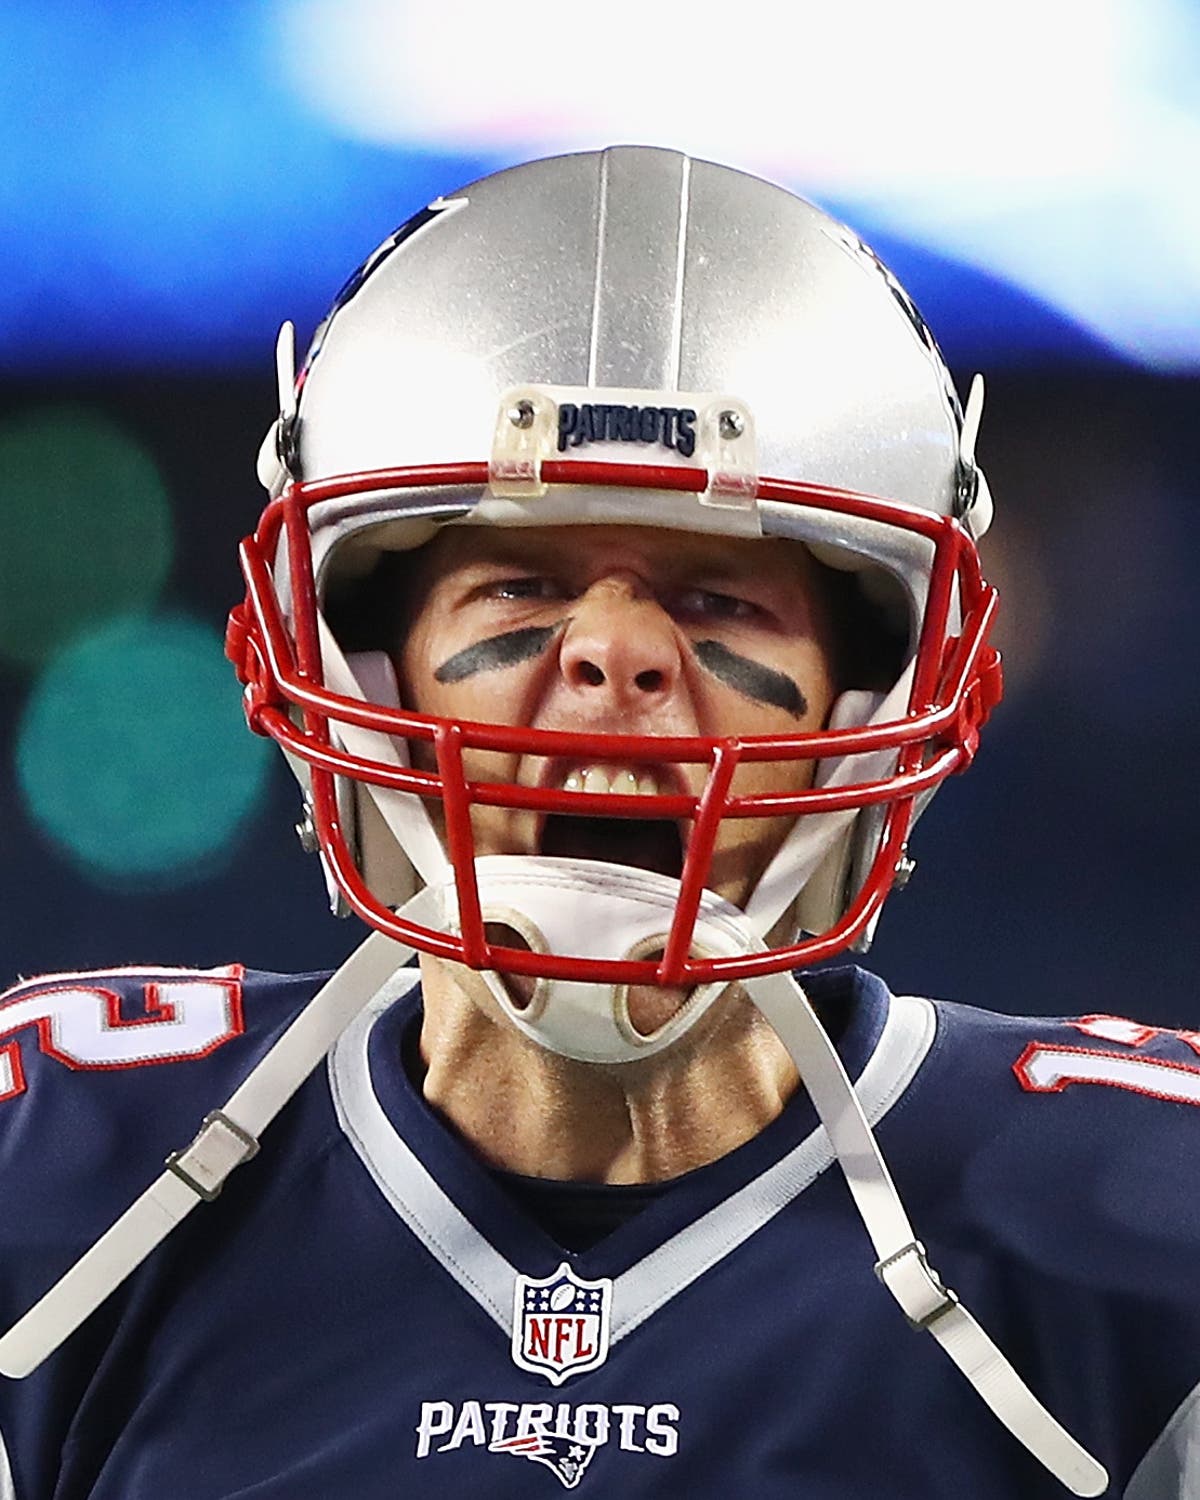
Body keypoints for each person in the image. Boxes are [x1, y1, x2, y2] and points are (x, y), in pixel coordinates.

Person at [0, 146, 1196, 1499]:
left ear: (876, 690)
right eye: (518, 584)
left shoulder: (1150, 1224)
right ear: (359, 669)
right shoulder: (57, 1180)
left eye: (717, 601)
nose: (614, 658)